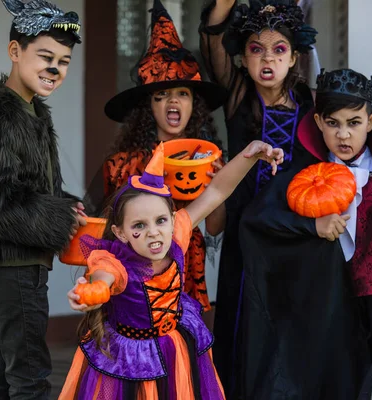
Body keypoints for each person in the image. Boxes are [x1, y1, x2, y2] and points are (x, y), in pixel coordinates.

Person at [239, 68, 372, 399]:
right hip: (304, 310)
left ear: (370, 123)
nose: (343, 134)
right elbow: (257, 222)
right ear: (319, 123)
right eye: (333, 123)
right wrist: (311, 226)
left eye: (353, 123)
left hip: (360, 312)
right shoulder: (301, 177)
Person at [59, 139, 284, 399]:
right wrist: (91, 292)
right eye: (139, 226)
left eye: (160, 220)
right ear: (120, 233)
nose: (153, 232)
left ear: (173, 219)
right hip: (133, 357)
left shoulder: (176, 235)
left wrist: (249, 155)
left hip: (174, 347)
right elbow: (103, 279)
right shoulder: (114, 261)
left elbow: (217, 191)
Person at [0, 0, 86, 397]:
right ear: (15, 52)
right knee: (30, 379)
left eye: (64, 60)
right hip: (10, 266)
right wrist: (58, 217)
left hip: (13, 265)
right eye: (45, 56)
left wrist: (64, 203)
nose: (55, 68)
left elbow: (27, 186)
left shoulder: (30, 113)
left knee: (1, 376)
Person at [198, 0, 318, 392]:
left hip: (292, 227)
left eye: (279, 50)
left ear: (294, 56)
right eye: (256, 49)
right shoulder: (237, 95)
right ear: (244, 58)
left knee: (288, 319)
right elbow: (212, 42)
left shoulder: (308, 104)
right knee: (240, 315)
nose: (268, 59)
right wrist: (222, 6)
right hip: (244, 228)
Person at [85, 0, 229, 312]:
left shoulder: (206, 160)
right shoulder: (119, 165)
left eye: (182, 93)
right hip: (131, 284)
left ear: (194, 106)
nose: (172, 102)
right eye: (161, 95)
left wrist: (218, 180)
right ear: (148, 108)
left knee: (183, 354)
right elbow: (94, 230)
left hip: (187, 275)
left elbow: (215, 228)